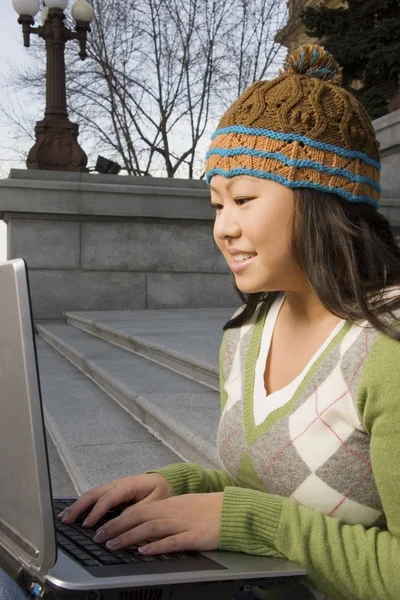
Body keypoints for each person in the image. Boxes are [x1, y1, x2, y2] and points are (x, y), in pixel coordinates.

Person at [2, 44, 400, 600]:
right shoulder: (247, 332)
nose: (223, 228)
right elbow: (259, 491)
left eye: (242, 198)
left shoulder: (387, 347)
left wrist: (248, 521)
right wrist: (176, 484)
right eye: (216, 205)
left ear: (322, 198)